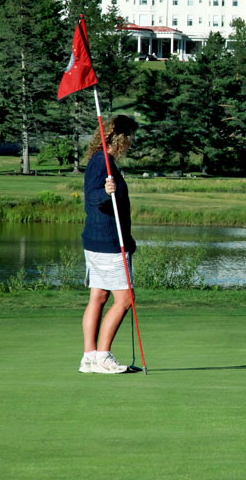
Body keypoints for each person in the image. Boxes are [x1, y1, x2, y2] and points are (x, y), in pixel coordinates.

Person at [79, 114, 139, 374]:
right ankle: (102, 357)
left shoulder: (102, 160)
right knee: (125, 299)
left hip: (99, 239)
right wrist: (107, 191)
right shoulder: (102, 161)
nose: (132, 142)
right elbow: (92, 197)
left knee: (99, 295)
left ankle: (90, 358)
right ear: (121, 137)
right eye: (131, 137)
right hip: (108, 243)